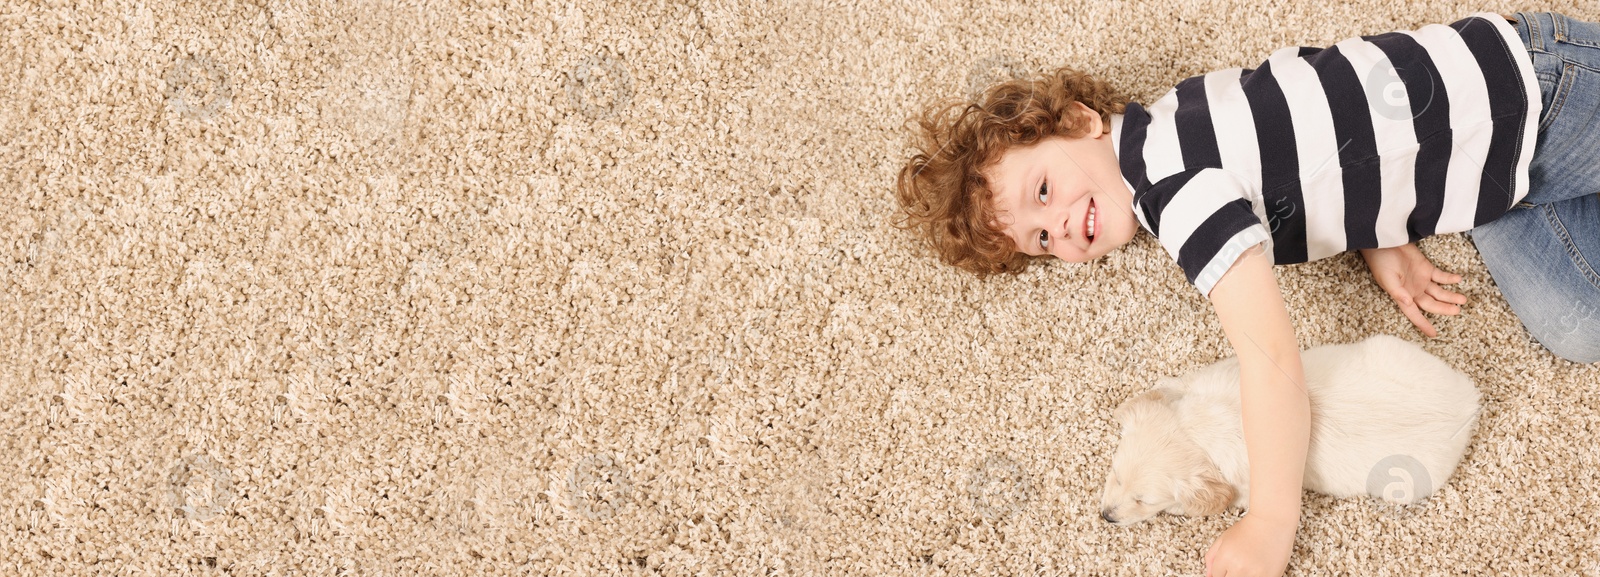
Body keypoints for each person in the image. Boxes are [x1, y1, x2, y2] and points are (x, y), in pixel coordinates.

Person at [894, 11, 1599, 577]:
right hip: (1491, 168)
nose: (1059, 227)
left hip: (1535, 92)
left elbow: (1270, 359)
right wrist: (1382, 230)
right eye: (1043, 240)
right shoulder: (1174, 117)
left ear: (1080, 120)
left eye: (1042, 191)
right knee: (1577, 324)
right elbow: (1315, 109)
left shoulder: (1176, 193)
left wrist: (1268, 519)